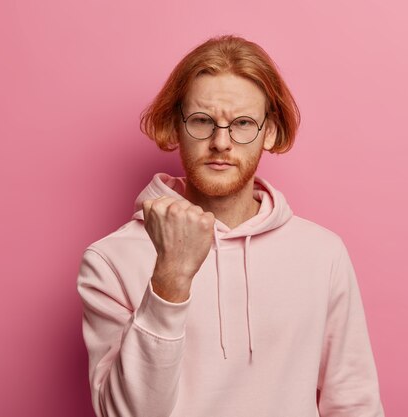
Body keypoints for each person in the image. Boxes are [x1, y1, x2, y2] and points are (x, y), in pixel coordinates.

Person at [76, 34, 385, 417]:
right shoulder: (110, 259)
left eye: (242, 123)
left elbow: (354, 403)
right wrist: (170, 279)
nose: (222, 142)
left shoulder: (323, 253)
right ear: (176, 127)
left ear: (268, 132)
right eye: (202, 121)